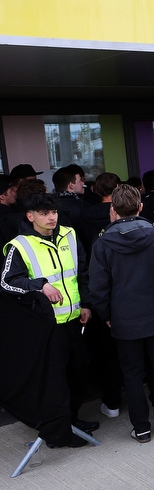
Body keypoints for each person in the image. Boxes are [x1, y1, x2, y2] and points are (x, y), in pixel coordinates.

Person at [88, 184, 154, 443]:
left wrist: (106, 314)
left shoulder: (103, 242)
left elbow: (98, 287)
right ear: (141, 207)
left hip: (123, 317)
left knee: (131, 374)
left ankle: (141, 428)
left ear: (113, 210)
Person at [1, 191, 99, 445]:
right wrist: (40, 285)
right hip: (47, 325)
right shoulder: (20, 245)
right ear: (30, 216)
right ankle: (59, 433)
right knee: (55, 382)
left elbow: (83, 272)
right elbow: (7, 282)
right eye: (44, 213)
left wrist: (86, 303)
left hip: (75, 318)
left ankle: (71, 419)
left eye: (53, 212)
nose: (51, 217)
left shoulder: (70, 234)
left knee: (77, 374)